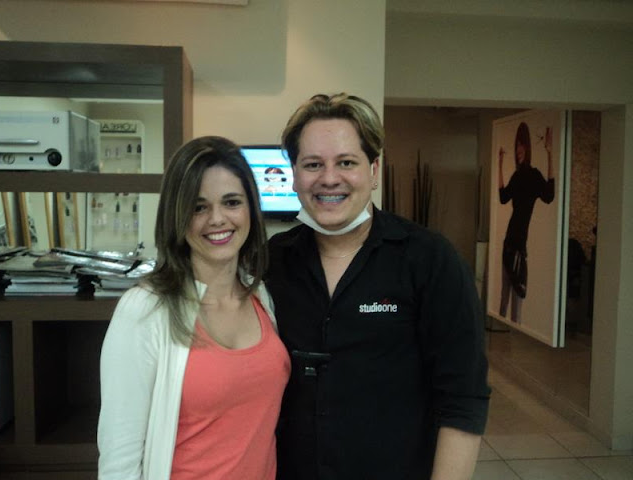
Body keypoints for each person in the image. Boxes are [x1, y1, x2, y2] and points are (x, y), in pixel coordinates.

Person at [266, 93, 490, 480]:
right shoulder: (271, 261)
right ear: (295, 174)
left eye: (346, 162)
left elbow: (463, 397)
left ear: (373, 171)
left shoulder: (429, 260)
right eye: (313, 164)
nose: (329, 178)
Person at [98, 136, 291, 480]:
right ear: (177, 215)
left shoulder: (260, 295)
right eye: (198, 207)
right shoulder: (144, 309)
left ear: (251, 208)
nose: (217, 219)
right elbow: (119, 459)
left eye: (232, 202)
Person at [498, 122, 555, 323]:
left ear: (527, 147)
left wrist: (549, 153)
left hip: (519, 246)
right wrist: (499, 165)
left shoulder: (534, 175)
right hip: (509, 242)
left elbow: (549, 195)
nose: (518, 150)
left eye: (521, 145)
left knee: (518, 295)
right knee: (504, 296)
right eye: (516, 146)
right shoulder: (517, 176)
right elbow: (503, 197)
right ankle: (499, 335)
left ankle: (513, 334)